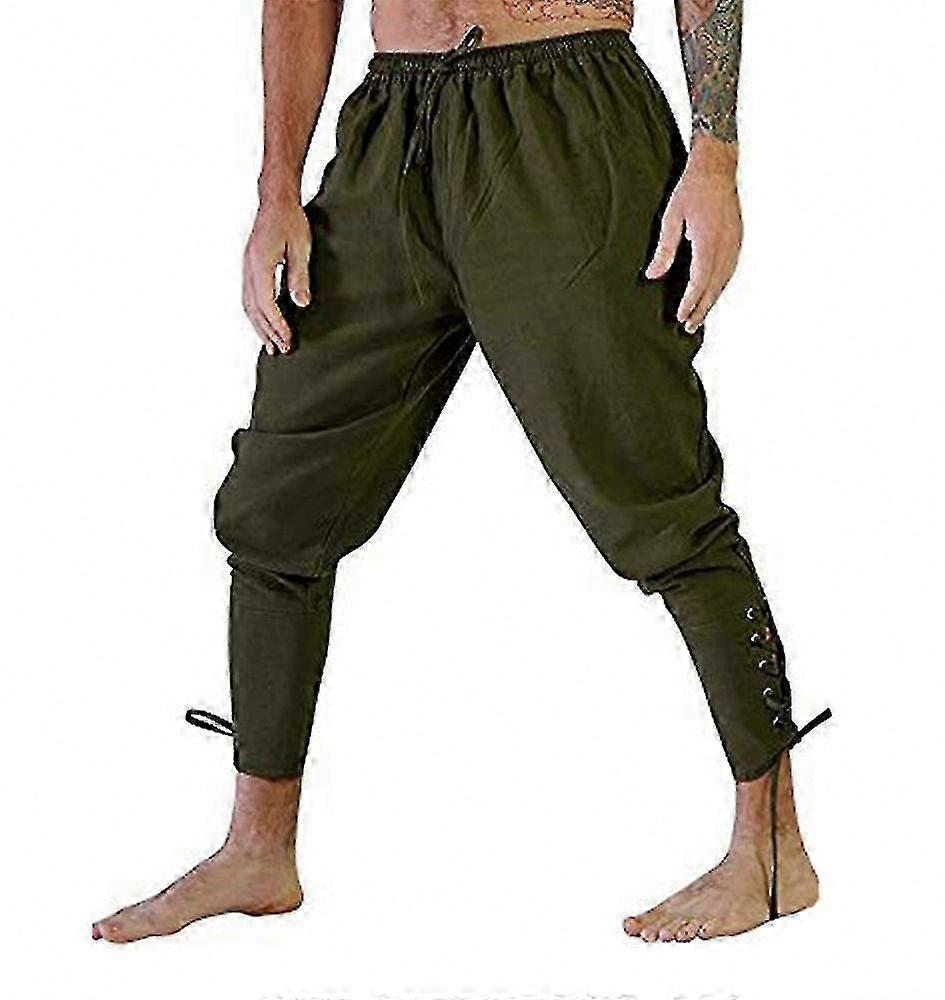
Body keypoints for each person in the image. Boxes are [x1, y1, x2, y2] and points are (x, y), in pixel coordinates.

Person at [93, 0, 829, 945]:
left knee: (655, 499)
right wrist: (278, 187)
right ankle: (256, 851)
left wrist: (715, 156)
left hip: (566, 108)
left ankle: (772, 853)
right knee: (279, 505)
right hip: (391, 128)